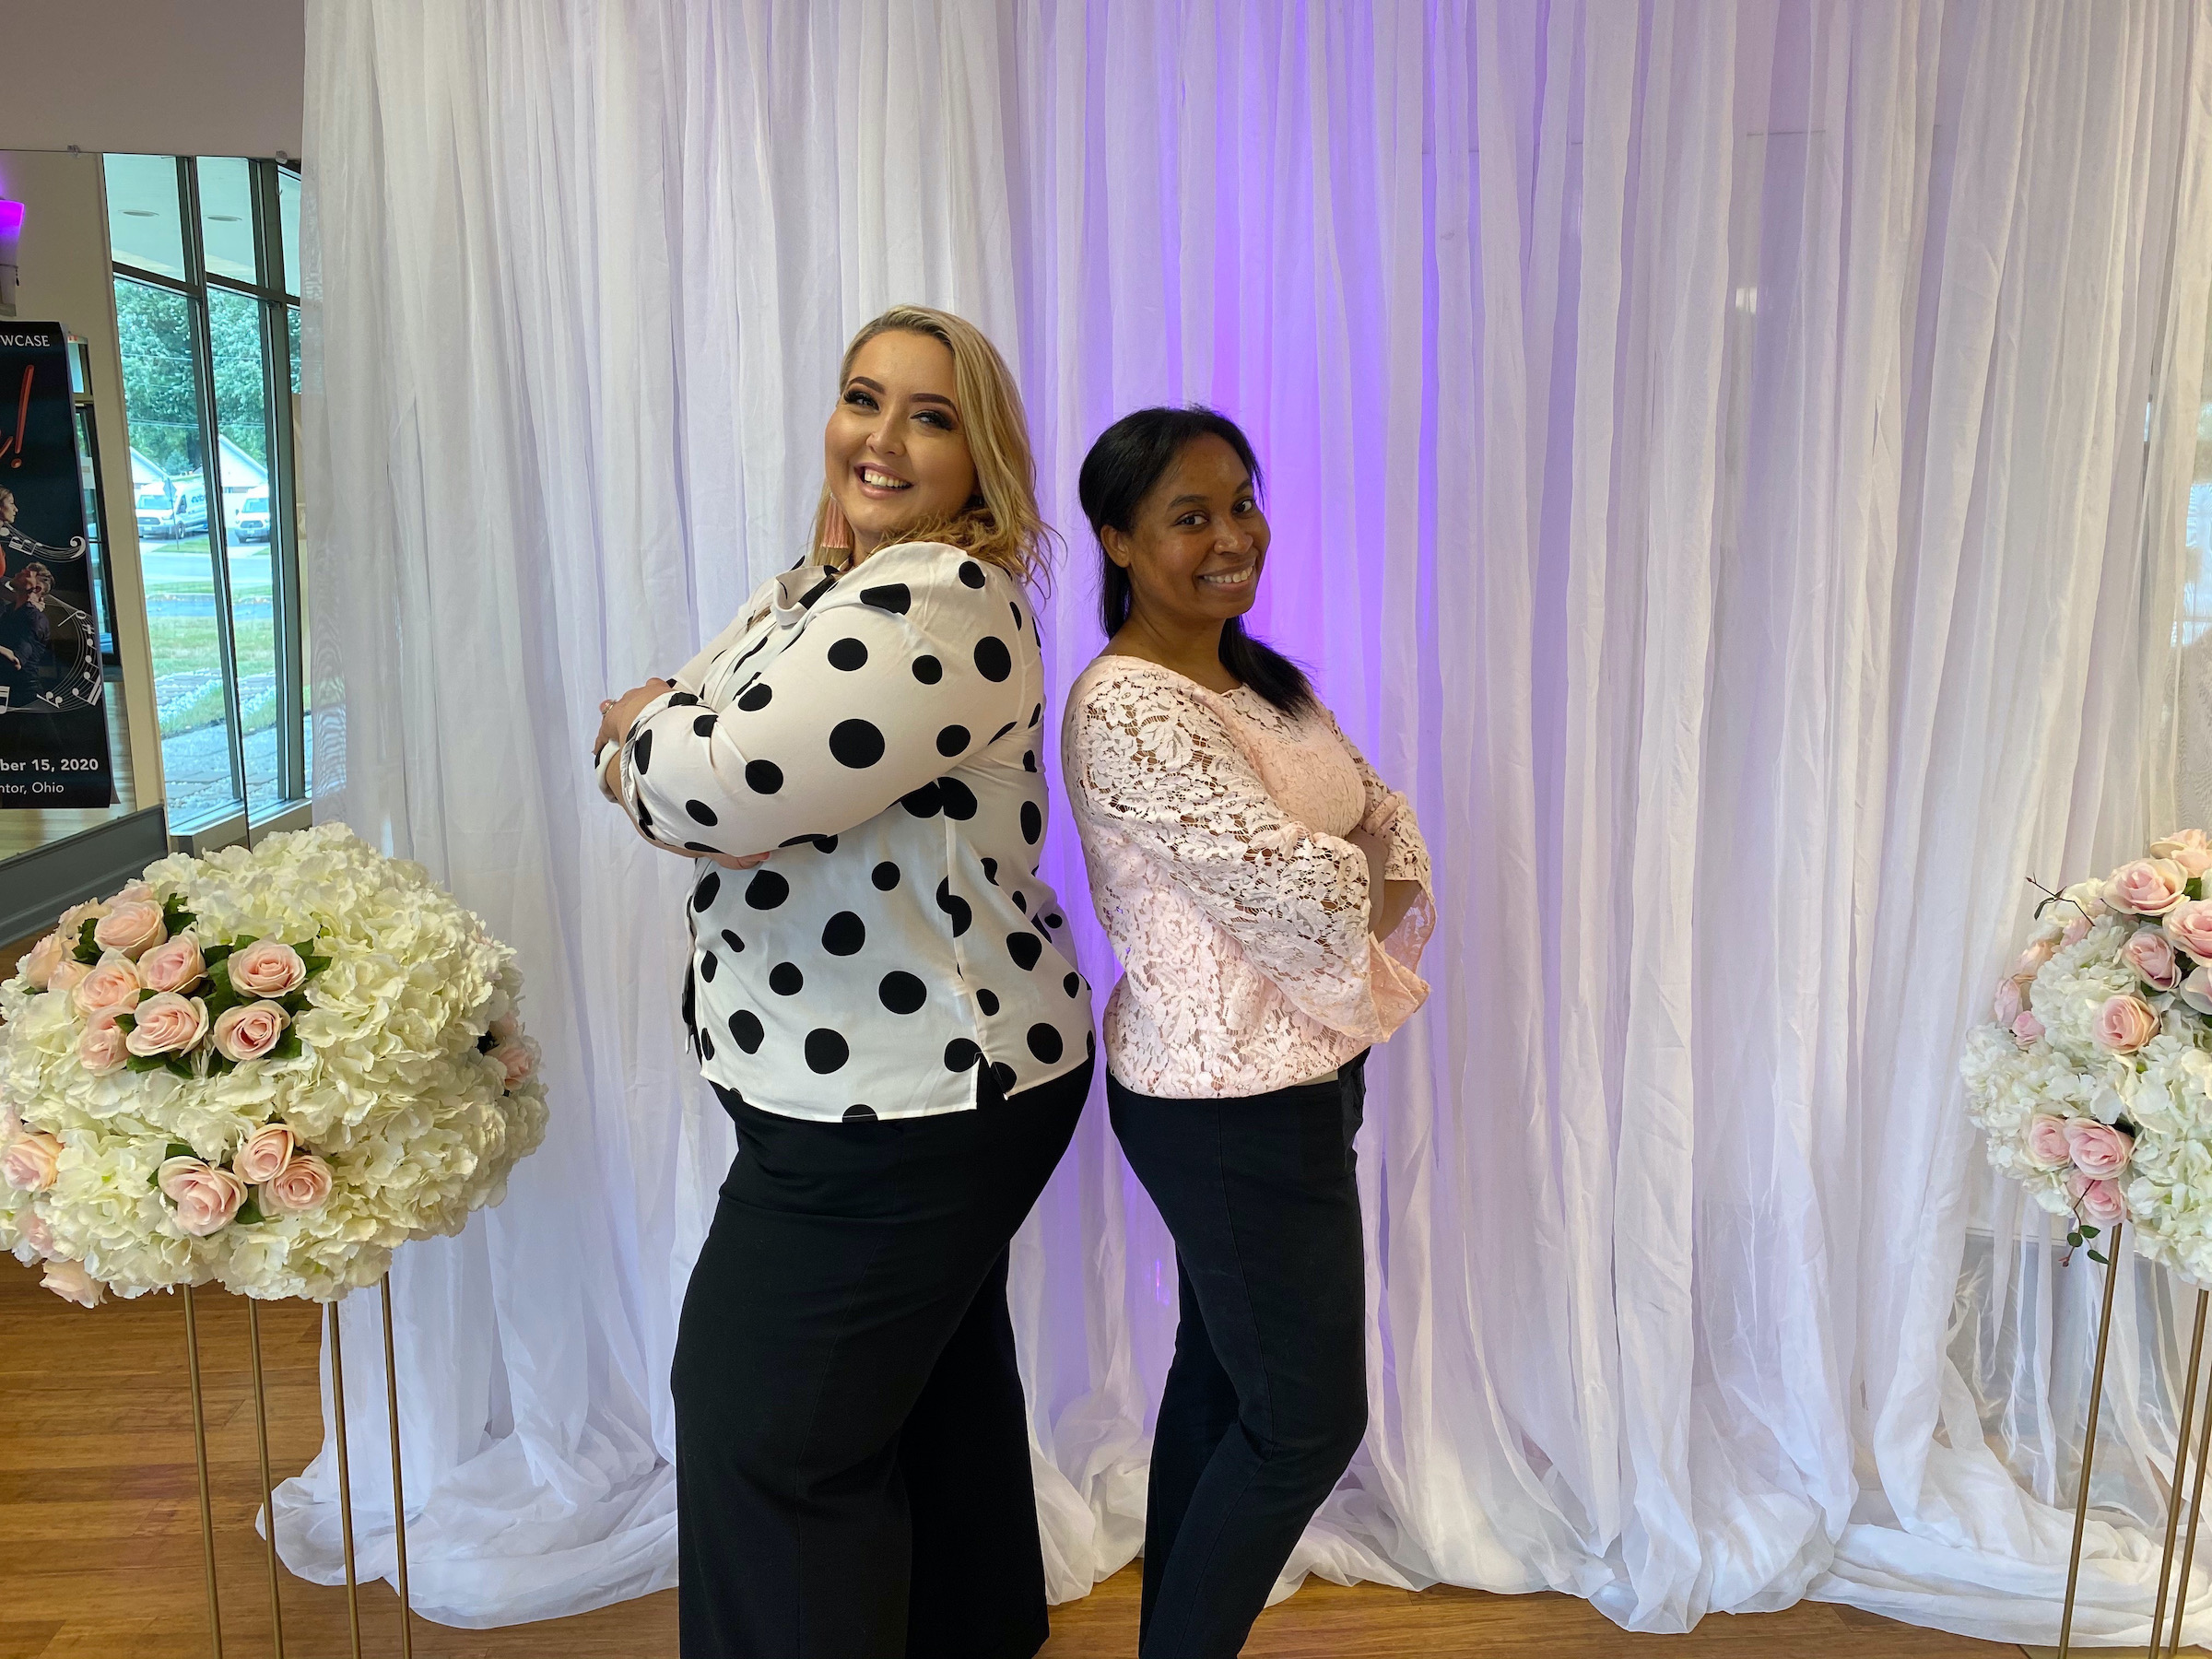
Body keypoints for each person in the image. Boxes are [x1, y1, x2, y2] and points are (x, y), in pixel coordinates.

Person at [593, 306, 1096, 1659]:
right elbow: (714, 747)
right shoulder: (831, 588)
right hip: (881, 1084)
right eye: (863, 398)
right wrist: (683, 744)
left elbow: (721, 785)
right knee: (924, 1394)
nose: (882, 436)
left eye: (930, 417)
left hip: (910, 1096)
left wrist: (643, 736)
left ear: (980, 460)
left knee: (765, 1435)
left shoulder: (939, 601)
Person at [1062, 406, 1434, 1658]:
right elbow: (1299, 892)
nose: (1234, 537)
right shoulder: (1129, 707)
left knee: (1226, 1382)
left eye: (1242, 503)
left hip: (1303, 1072)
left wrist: (1344, 870)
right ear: (1118, 541)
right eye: (1191, 517)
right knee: (1305, 1423)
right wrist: (1347, 871)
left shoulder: (1260, 678)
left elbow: (1383, 815)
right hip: (1224, 1101)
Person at [0, 560, 55, 707]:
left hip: (25, 698)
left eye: (26, 574)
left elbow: (16, 660)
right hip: (7, 691)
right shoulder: (9, 611)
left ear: (37, 588)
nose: (18, 573)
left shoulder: (35, 619)